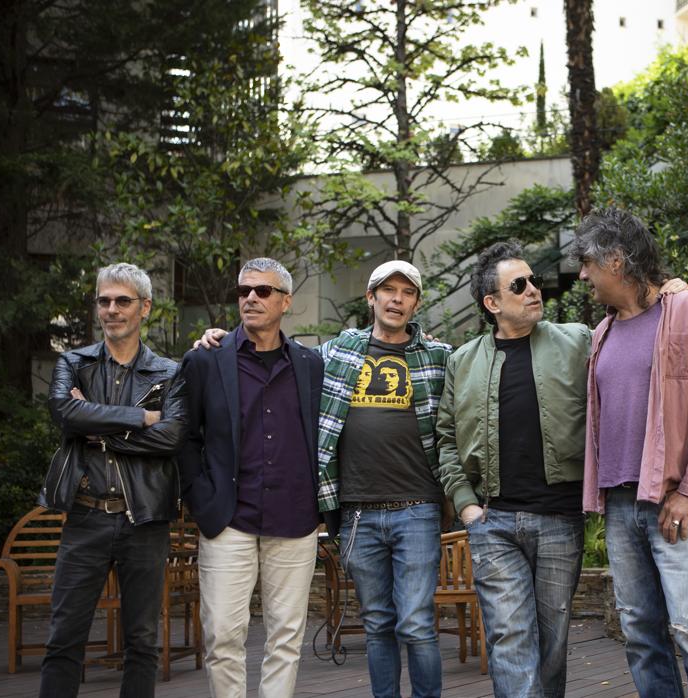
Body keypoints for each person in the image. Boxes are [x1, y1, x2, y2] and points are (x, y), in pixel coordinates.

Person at [574, 208, 688, 698]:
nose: (583, 274)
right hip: (621, 503)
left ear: (617, 261)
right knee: (641, 634)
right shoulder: (602, 332)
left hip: (675, 501)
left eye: (588, 263)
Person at [435, 241, 588, 698]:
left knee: (553, 645)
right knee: (509, 639)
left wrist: (669, 292)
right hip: (494, 523)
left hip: (561, 518)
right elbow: (445, 440)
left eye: (534, 281)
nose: (534, 290)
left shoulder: (578, 341)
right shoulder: (462, 363)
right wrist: (466, 507)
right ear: (493, 303)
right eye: (519, 285)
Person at [177, 257, 332, 698]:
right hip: (228, 519)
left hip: (295, 518)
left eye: (262, 291)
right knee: (223, 635)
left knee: (286, 637)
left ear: (286, 302)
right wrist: (200, 499)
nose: (250, 298)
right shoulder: (205, 360)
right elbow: (186, 438)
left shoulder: (309, 364)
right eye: (244, 290)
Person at [37, 262, 186, 698]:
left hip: (144, 522)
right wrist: (141, 417)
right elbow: (66, 413)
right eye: (104, 300)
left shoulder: (169, 372)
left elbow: (173, 436)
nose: (112, 309)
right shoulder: (74, 362)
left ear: (145, 308)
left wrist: (99, 427)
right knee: (64, 640)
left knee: (143, 642)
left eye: (123, 301)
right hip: (85, 519)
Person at [314, 260, 451, 698]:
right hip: (357, 513)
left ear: (416, 303)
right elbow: (278, 359)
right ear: (370, 298)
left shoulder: (438, 356)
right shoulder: (337, 352)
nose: (397, 298)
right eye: (387, 290)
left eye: (407, 292)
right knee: (377, 623)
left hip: (418, 508)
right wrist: (218, 341)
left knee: (416, 622)